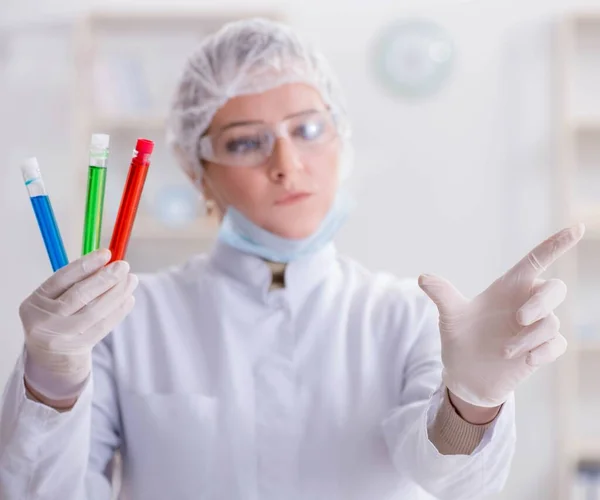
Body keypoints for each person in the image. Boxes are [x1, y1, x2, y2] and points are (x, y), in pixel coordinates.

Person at [0, 18, 584, 500]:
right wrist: (51, 380)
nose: (286, 163)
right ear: (197, 172)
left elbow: (450, 479)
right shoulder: (127, 318)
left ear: (341, 138)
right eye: (245, 141)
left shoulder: (406, 315)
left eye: (307, 128)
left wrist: (472, 399)